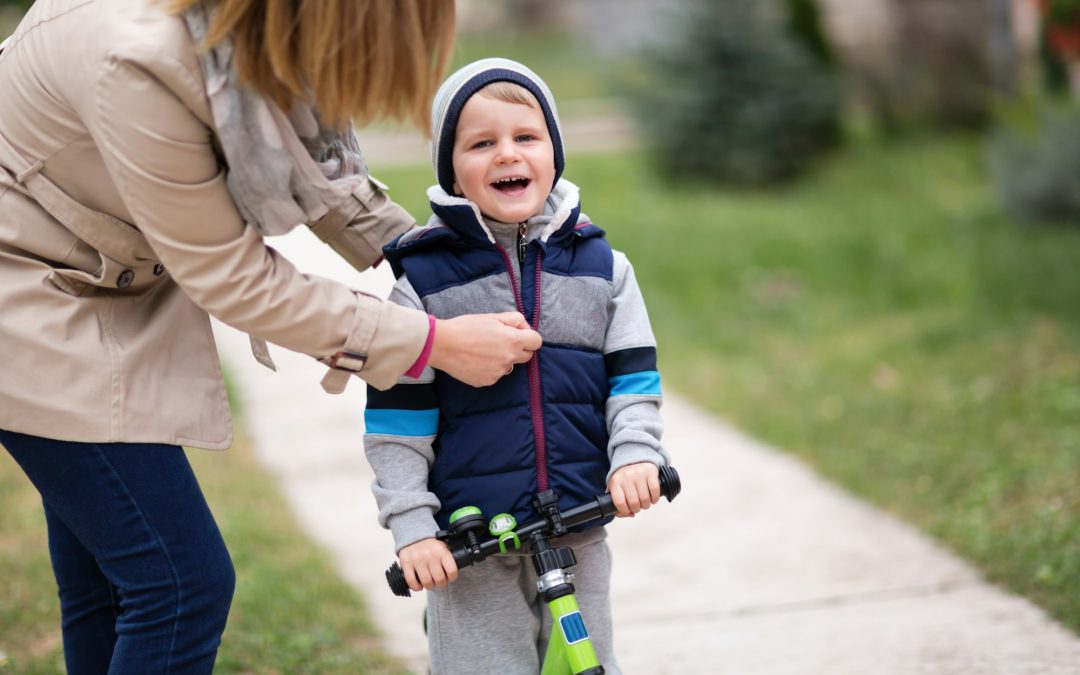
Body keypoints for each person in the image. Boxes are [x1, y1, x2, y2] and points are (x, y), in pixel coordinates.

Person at [0, 1, 542, 672]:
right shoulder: (137, 61)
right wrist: (431, 342)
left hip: (93, 272)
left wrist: (435, 257)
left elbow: (315, 159)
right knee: (180, 585)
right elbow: (232, 276)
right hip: (23, 303)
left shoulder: (252, 32)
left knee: (113, 583)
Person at [363, 58, 669, 674]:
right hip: (471, 542)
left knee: (587, 662)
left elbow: (634, 383)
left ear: (554, 152)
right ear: (451, 168)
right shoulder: (421, 282)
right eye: (481, 143)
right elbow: (397, 424)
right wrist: (414, 527)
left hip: (578, 526)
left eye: (526, 138)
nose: (507, 155)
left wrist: (637, 454)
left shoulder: (604, 267)